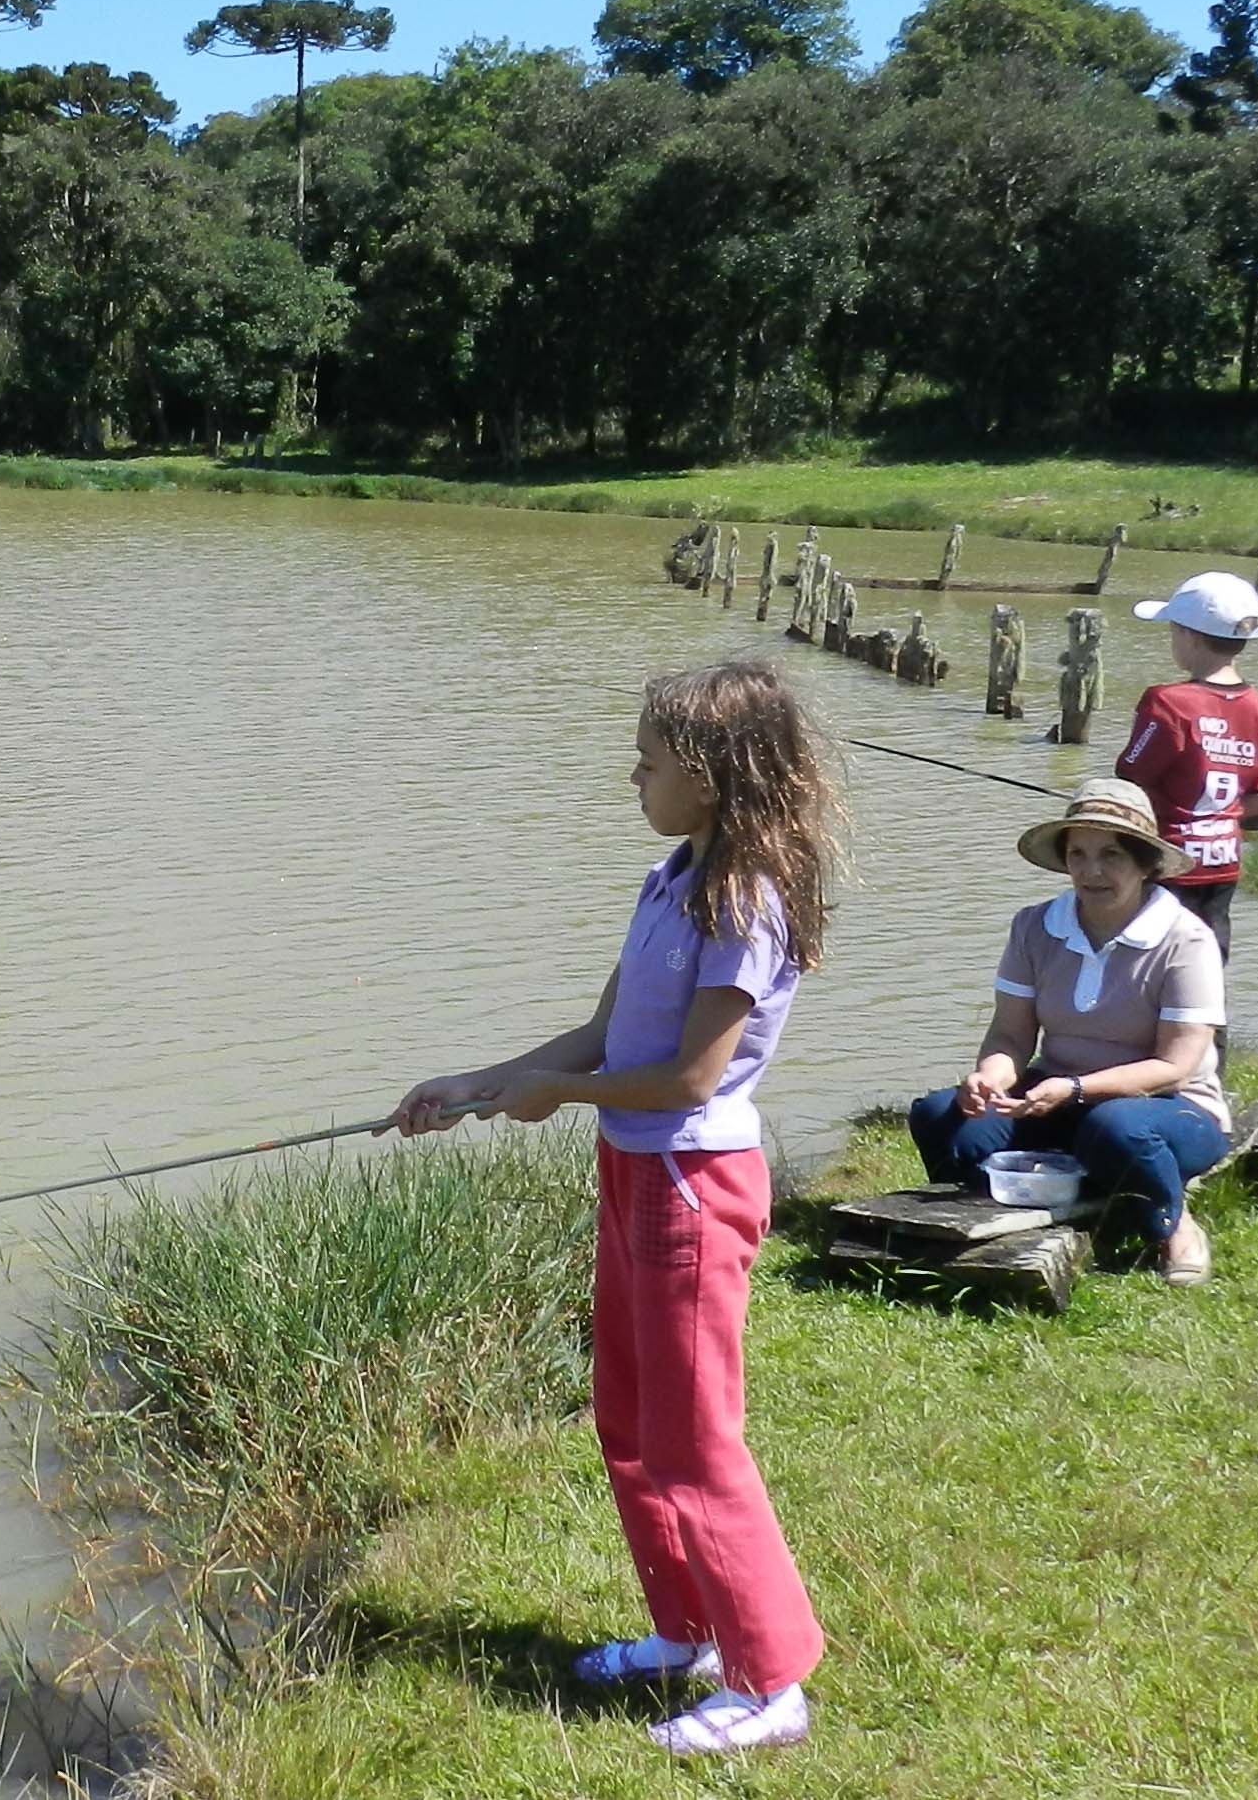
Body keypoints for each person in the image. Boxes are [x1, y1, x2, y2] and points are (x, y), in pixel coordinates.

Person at [390, 660, 838, 1759]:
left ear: (715, 774)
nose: (632, 771)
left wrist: (564, 1098)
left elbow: (690, 1078)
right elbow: (600, 1039)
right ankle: (685, 1631)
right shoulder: (669, 878)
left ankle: (769, 1680)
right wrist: (475, 1084)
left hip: (693, 1181)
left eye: (650, 758)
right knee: (629, 1424)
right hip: (630, 1170)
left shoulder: (749, 901)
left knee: (696, 1442)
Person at [907, 778, 1233, 1284]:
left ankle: (1174, 1227)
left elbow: (1176, 1066)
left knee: (1117, 1127)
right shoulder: (1035, 926)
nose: (1091, 871)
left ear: (1146, 864)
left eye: (1111, 856)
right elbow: (1010, 1037)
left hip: (1169, 1106)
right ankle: (1001, 1222)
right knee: (939, 1115)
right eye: (1077, 854)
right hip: (1056, 1097)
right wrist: (990, 1077)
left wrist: (1077, 1089)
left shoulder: (1185, 938)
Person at [1116, 571, 1258, 957]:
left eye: (1173, 632)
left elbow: (1129, 783)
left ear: (1190, 636)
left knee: (1149, 962)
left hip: (1167, 862)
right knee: (1208, 962)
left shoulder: (1166, 702)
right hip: (1223, 864)